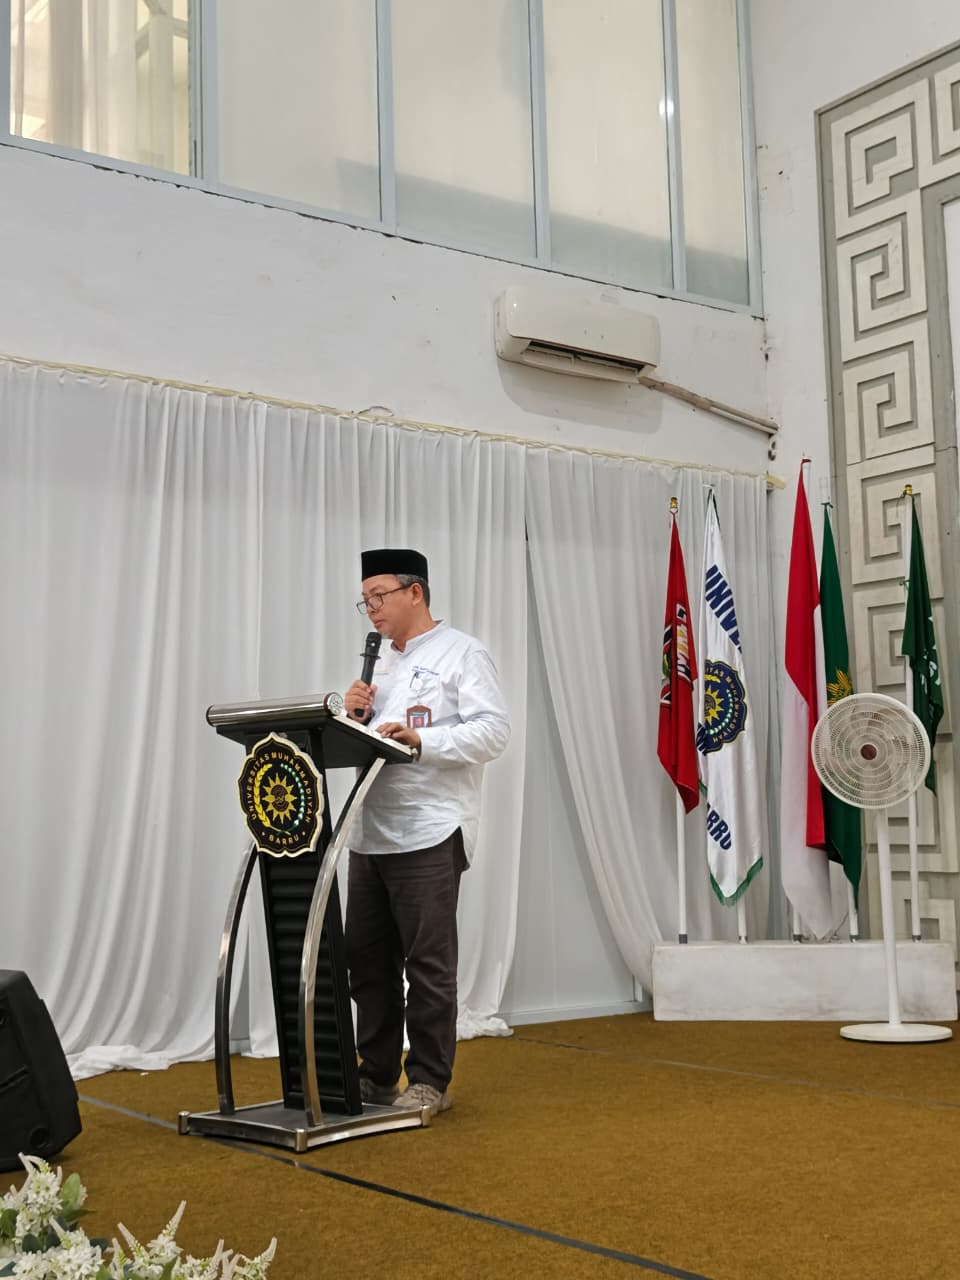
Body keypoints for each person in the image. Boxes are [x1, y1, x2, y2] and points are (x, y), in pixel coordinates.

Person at [343, 547, 509, 1118]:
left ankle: (429, 1080)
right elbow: (367, 741)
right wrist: (351, 715)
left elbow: (494, 732)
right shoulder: (379, 664)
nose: (371, 609)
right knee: (367, 963)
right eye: (365, 600)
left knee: (427, 965)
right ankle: (376, 1075)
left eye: (379, 596)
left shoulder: (463, 652)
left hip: (431, 829)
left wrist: (425, 741)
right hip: (370, 831)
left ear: (415, 592)